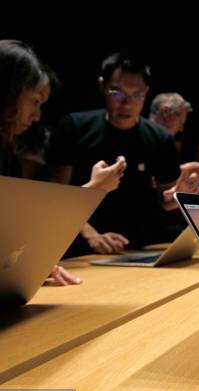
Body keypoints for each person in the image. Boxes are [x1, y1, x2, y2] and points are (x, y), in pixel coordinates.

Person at [49, 52, 199, 255]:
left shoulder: (160, 138)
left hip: (142, 247)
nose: (127, 103)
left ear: (146, 92)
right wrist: (92, 236)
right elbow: (56, 196)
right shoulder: (73, 127)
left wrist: (180, 195)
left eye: (137, 95)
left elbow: (166, 200)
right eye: (117, 93)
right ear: (102, 85)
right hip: (81, 249)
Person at [0, 39, 126, 285]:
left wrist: (27, 263)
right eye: (35, 101)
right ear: (7, 92)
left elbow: (14, 236)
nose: (37, 116)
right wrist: (94, 189)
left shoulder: (7, 153)